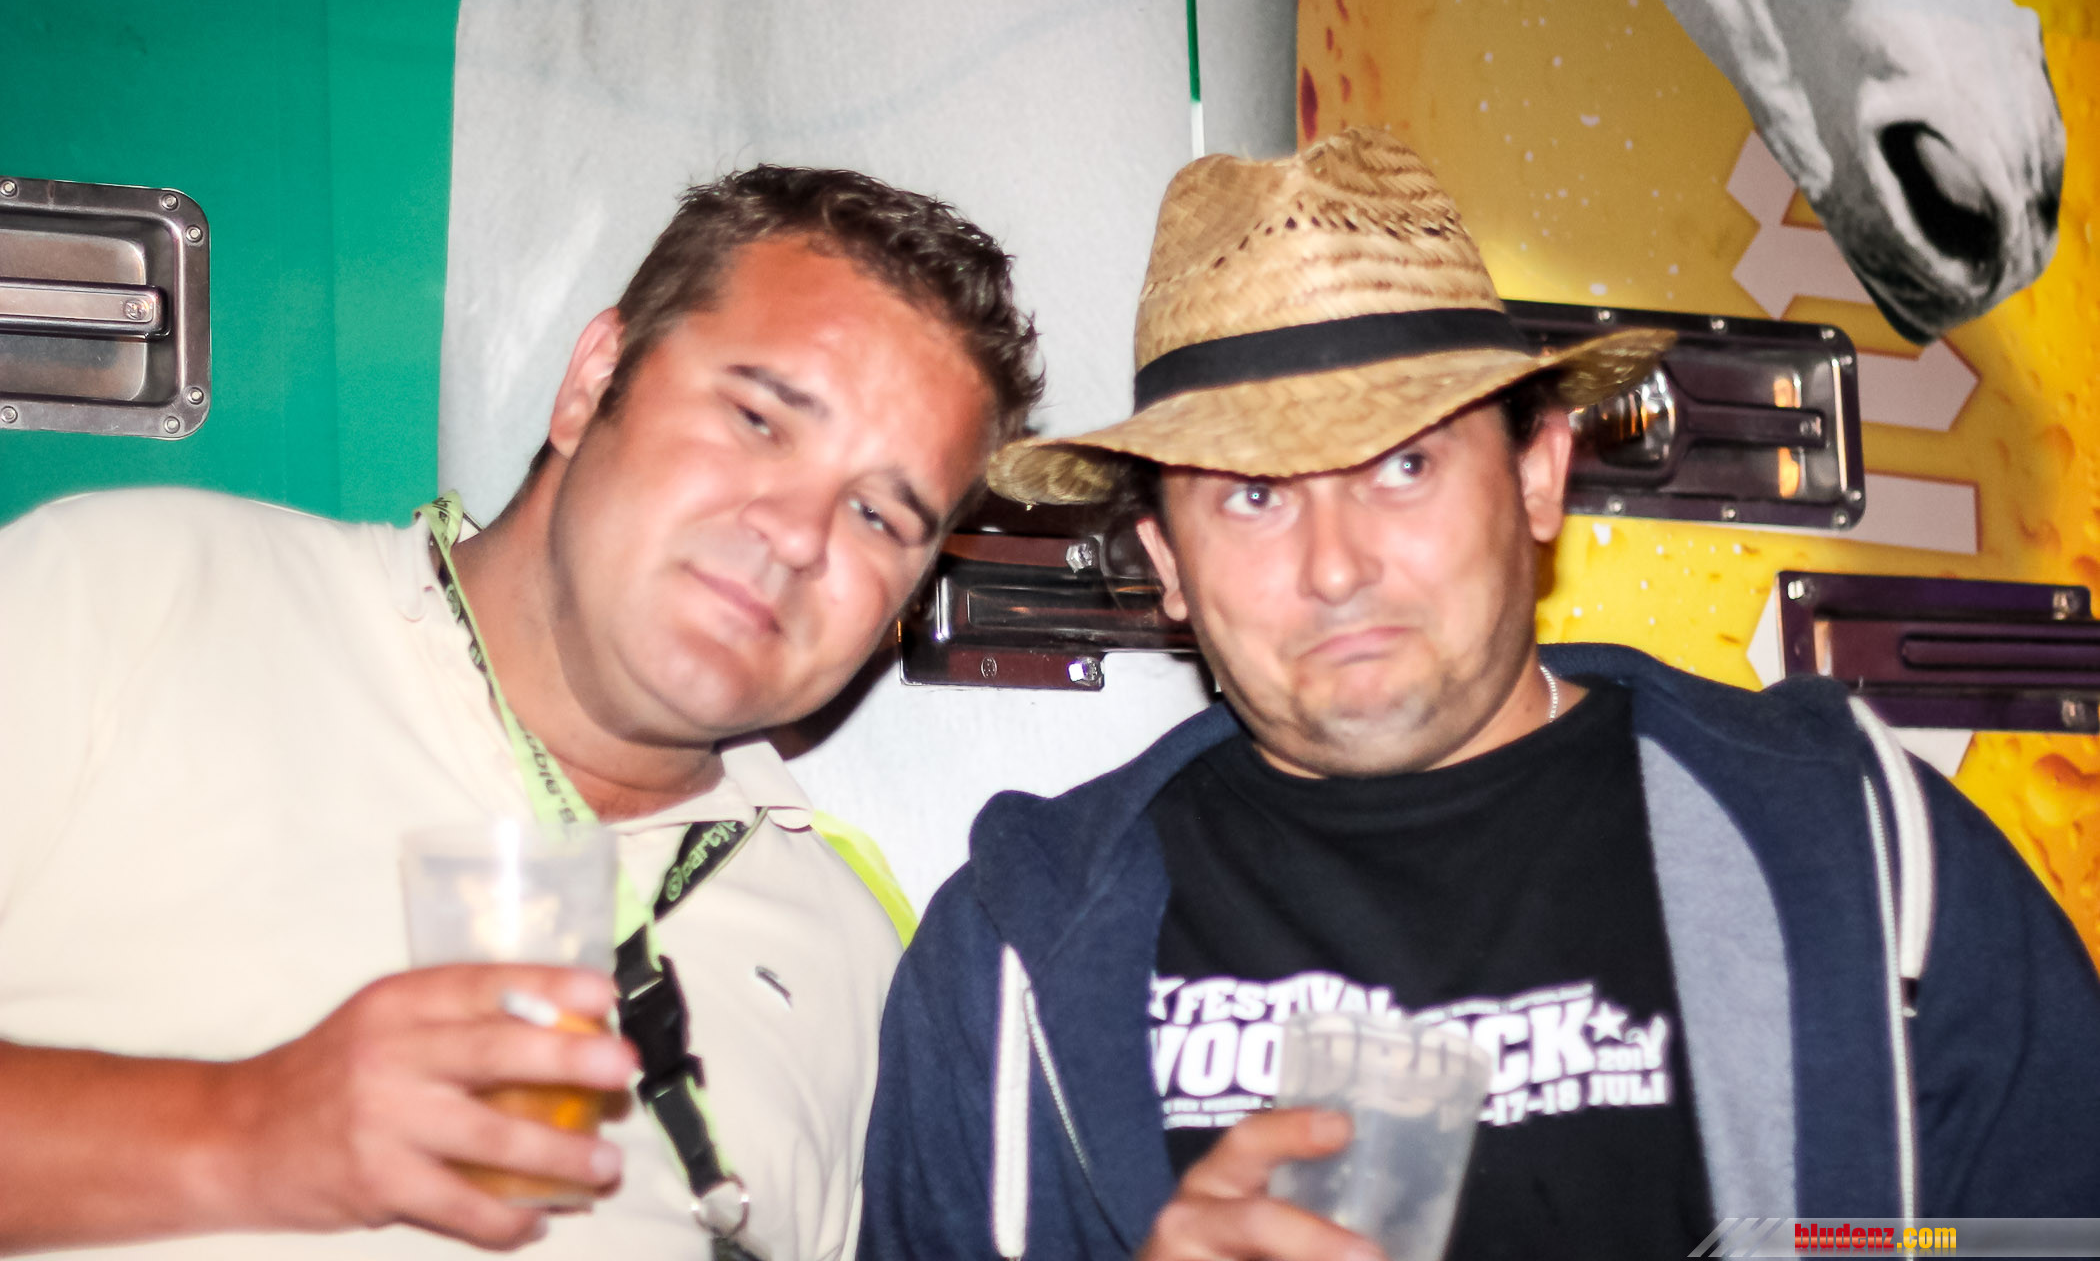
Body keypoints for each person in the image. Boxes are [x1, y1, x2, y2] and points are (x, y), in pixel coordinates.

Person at [858, 127, 2100, 1260]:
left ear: (1539, 475)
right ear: (1167, 562)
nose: (1336, 565)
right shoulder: (1011, 958)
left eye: (1403, 463)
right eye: (1254, 492)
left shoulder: (1851, 839)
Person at [0, 164, 1041, 1260]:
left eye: (879, 514)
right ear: (595, 380)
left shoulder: (856, 961)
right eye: (758, 419)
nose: (796, 532)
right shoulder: (136, 593)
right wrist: (242, 1133)